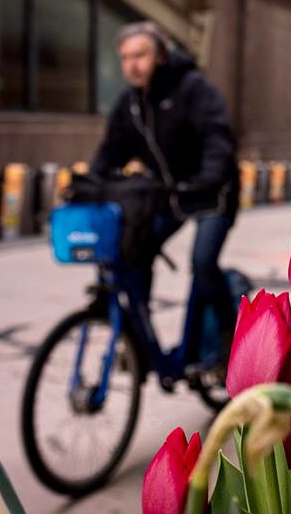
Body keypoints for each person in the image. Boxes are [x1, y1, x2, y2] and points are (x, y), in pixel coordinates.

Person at [90, 21, 239, 372]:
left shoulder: (193, 88)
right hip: (170, 197)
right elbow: (111, 150)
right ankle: (141, 343)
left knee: (203, 263)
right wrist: (90, 183)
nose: (132, 65)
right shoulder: (130, 104)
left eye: (140, 55)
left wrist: (210, 176)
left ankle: (230, 340)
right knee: (132, 255)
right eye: (126, 58)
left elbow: (218, 137)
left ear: (159, 56)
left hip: (213, 194)